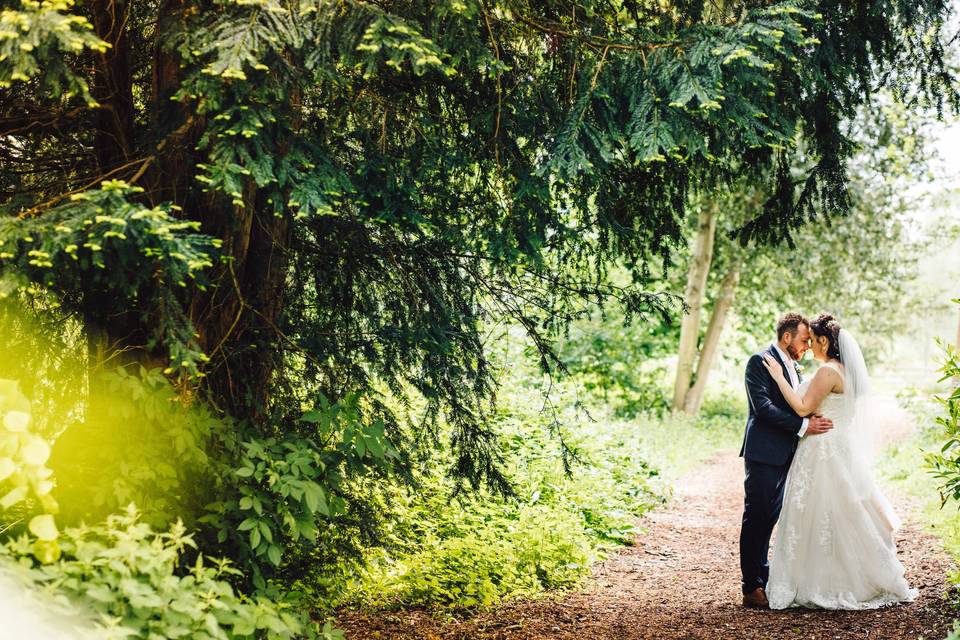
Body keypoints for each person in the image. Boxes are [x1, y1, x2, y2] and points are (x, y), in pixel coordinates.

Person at [761, 313, 917, 609]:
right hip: (841, 446)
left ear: (824, 341)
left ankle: (821, 582)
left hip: (823, 448)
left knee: (819, 511)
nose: (809, 346)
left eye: (812, 340)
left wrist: (780, 378)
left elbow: (804, 406)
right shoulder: (845, 371)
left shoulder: (827, 372)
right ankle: (852, 577)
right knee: (840, 512)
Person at [739, 312, 834, 608]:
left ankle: (765, 577)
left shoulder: (793, 366)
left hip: (787, 454)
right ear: (787, 337)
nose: (808, 346)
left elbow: (798, 404)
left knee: (771, 516)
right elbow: (763, 408)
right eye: (805, 340)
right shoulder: (760, 361)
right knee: (756, 516)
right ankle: (751, 585)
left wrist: (810, 415)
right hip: (764, 452)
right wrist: (804, 427)